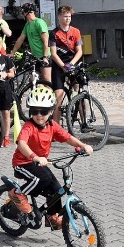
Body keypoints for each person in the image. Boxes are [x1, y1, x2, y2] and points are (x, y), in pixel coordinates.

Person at [10, 85, 94, 230]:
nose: (39, 115)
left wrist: (82, 145)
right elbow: (22, 144)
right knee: (41, 179)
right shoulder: (29, 126)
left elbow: (67, 137)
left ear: (51, 111)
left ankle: (52, 217)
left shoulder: (52, 125)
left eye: (43, 111)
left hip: (39, 164)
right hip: (23, 163)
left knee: (56, 189)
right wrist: (34, 156)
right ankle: (17, 193)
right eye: (35, 111)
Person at [49, 5, 84, 123]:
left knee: (78, 92)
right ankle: (56, 127)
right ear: (59, 17)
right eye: (65, 16)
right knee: (58, 97)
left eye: (69, 16)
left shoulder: (76, 31)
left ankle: (84, 122)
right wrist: (63, 66)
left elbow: (79, 51)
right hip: (58, 66)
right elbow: (53, 54)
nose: (67, 19)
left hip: (72, 64)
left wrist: (71, 64)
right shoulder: (54, 33)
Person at [11, 2, 52, 84]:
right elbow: (20, 39)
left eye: (23, 12)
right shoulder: (28, 25)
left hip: (44, 56)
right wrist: (12, 53)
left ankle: (51, 96)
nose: (22, 14)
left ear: (27, 12)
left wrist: (45, 57)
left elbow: (46, 41)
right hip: (35, 57)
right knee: (33, 80)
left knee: (47, 81)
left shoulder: (39, 22)